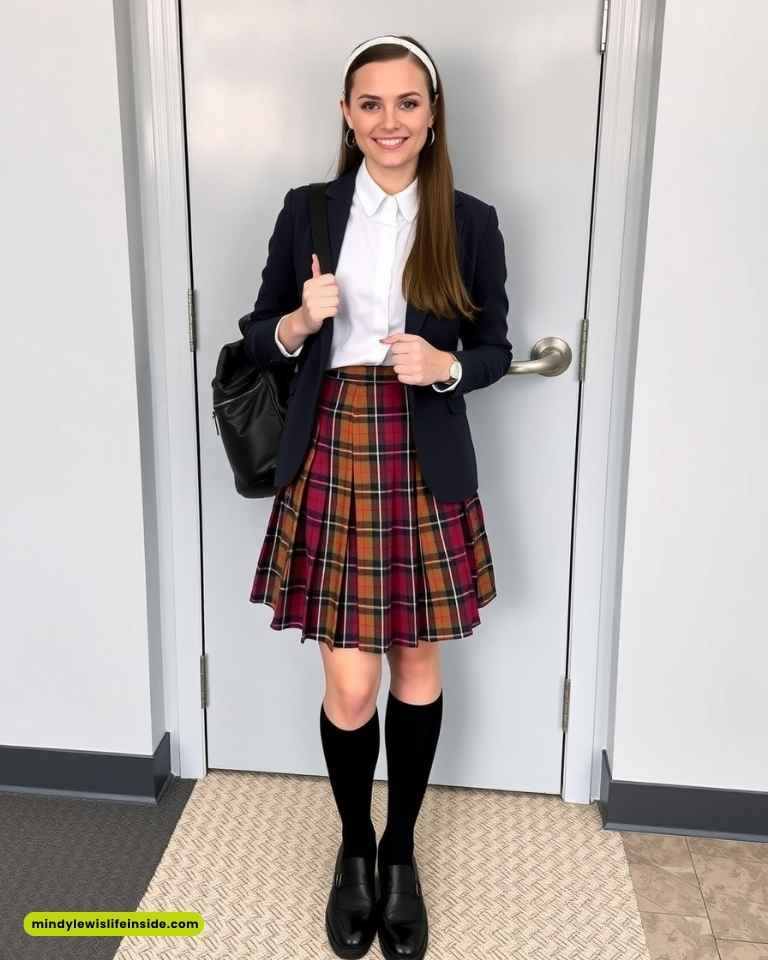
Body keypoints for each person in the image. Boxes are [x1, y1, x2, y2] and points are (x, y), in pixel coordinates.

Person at [241, 33, 513, 960]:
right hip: (333, 447)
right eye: (371, 103)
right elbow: (258, 334)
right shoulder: (309, 211)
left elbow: (495, 350)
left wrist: (445, 367)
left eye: (407, 103)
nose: (388, 121)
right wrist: (298, 320)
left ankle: (400, 857)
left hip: (422, 450)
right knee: (352, 688)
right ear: (347, 116)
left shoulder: (470, 221)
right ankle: (354, 848)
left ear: (432, 116)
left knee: (417, 668)